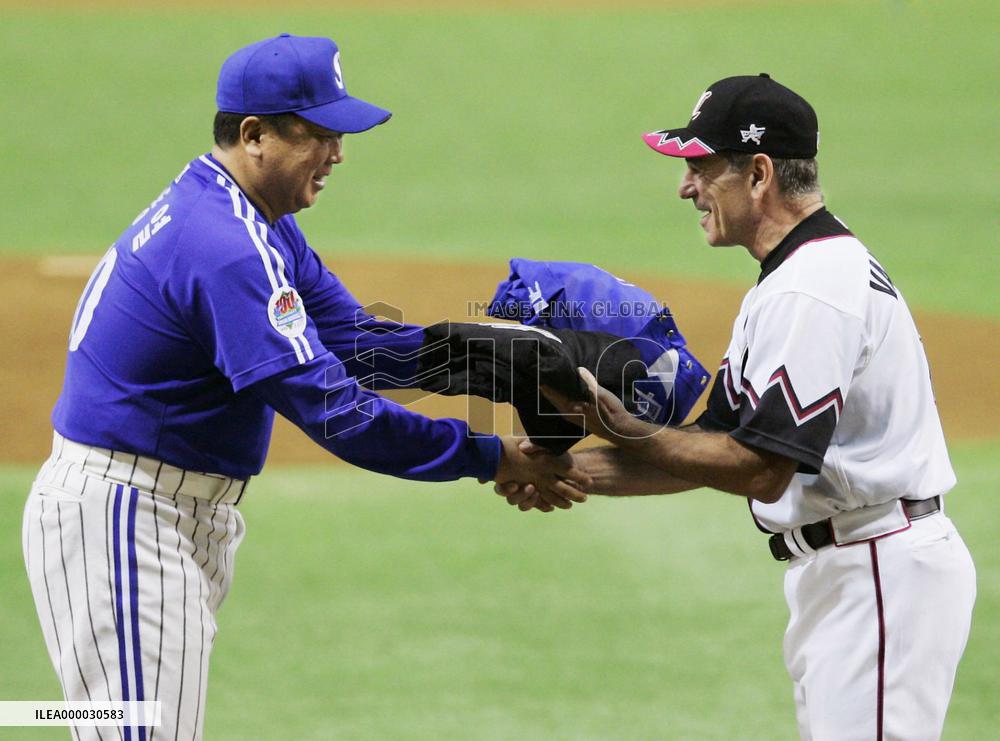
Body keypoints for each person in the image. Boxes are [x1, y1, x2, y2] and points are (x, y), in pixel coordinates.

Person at [22, 33, 588, 741]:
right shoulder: (223, 246)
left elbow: (359, 347)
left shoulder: (256, 223)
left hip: (167, 511)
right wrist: (491, 455)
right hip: (127, 519)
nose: (338, 152)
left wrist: (498, 358)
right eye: (318, 133)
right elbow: (338, 412)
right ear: (254, 134)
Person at [500, 74, 976, 739]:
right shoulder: (789, 282)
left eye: (702, 167)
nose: (686, 187)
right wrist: (566, 468)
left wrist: (609, 418)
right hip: (853, 567)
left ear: (758, 174)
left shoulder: (813, 289)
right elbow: (709, 446)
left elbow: (760, 469)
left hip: (877, 567)